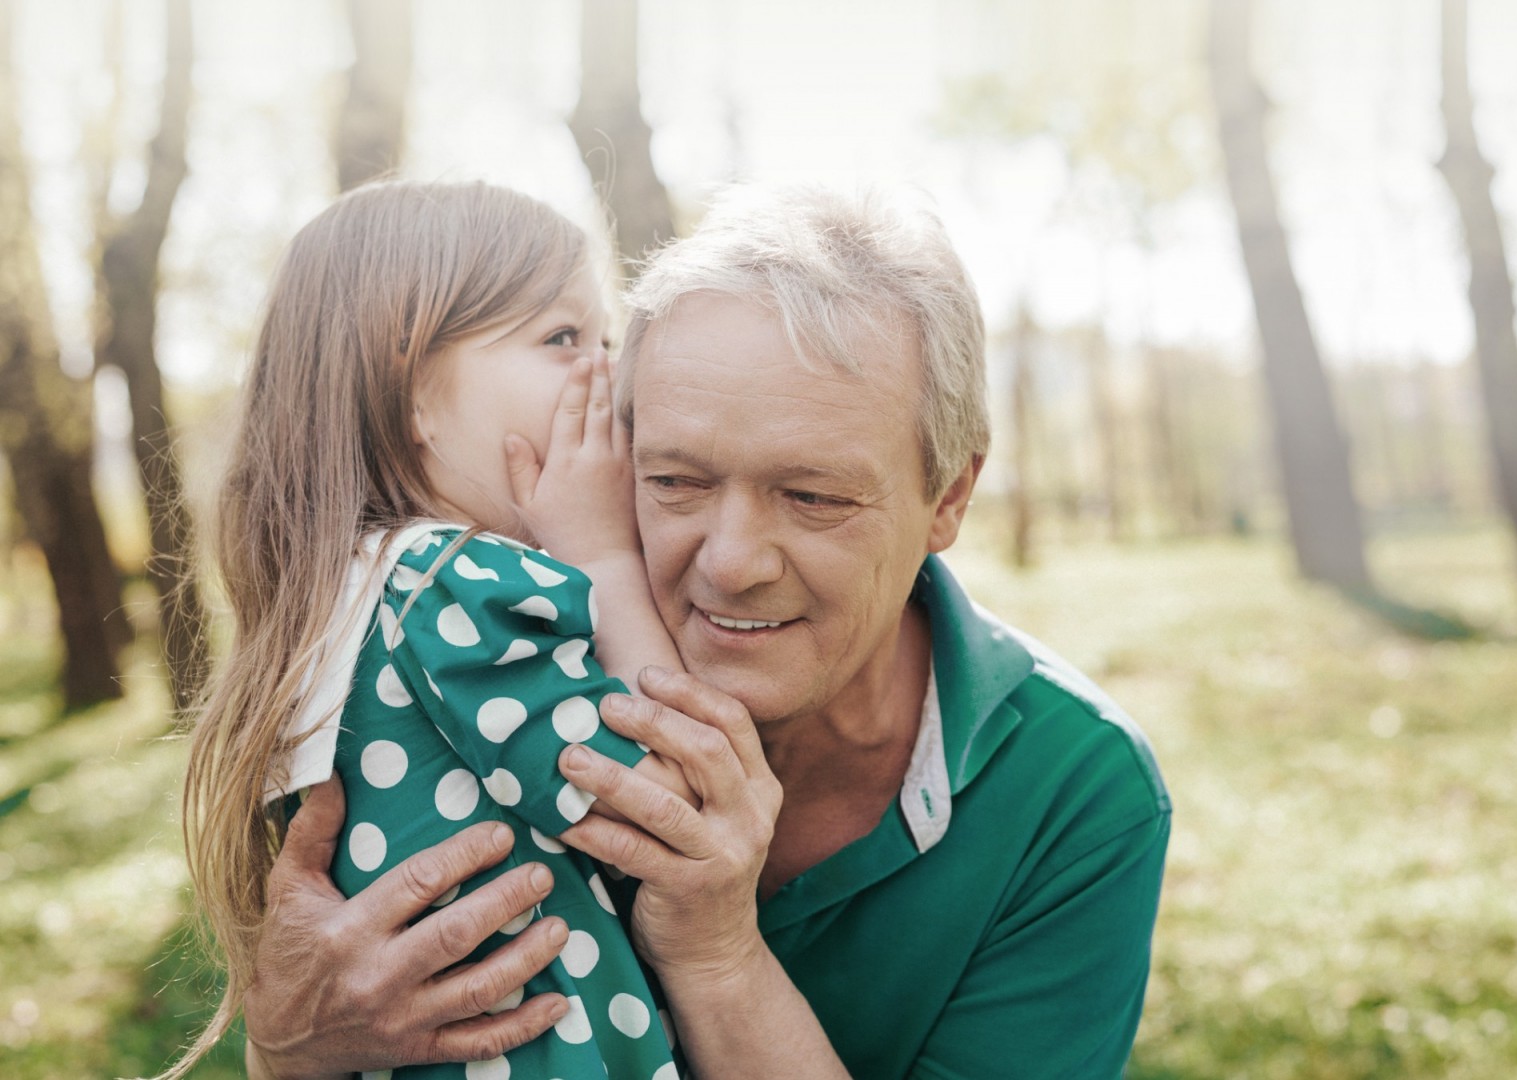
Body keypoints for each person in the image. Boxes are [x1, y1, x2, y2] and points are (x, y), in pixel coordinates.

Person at [241, 184, 1171, 1079]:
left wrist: (718, 954)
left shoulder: (1077, 792)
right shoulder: (480, 664)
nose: (730, 563)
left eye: (812, 497)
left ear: (949, 498)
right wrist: (287, 1055)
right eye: (675, 482)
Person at [178, 181, 699, 1080]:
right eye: (562, 338)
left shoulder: (352, 591)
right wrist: (604, 556)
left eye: (605, 341)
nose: (608, 380)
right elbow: (675, 803)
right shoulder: (454, 584)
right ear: (412, 390)